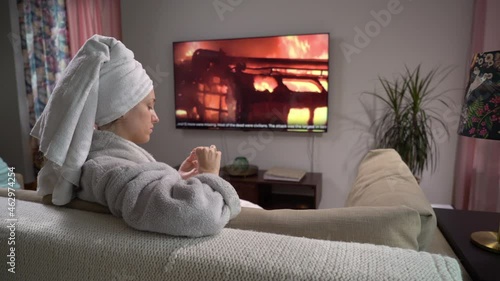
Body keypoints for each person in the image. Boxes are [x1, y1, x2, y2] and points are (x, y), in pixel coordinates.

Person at [30, 35, 241, 237]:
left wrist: (182, 180)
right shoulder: (105, 169)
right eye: (149, 106)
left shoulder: (105, 163)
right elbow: (200, 216)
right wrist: (209, 174)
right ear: (121, 108)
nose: (156, 117)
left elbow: (147, 193)